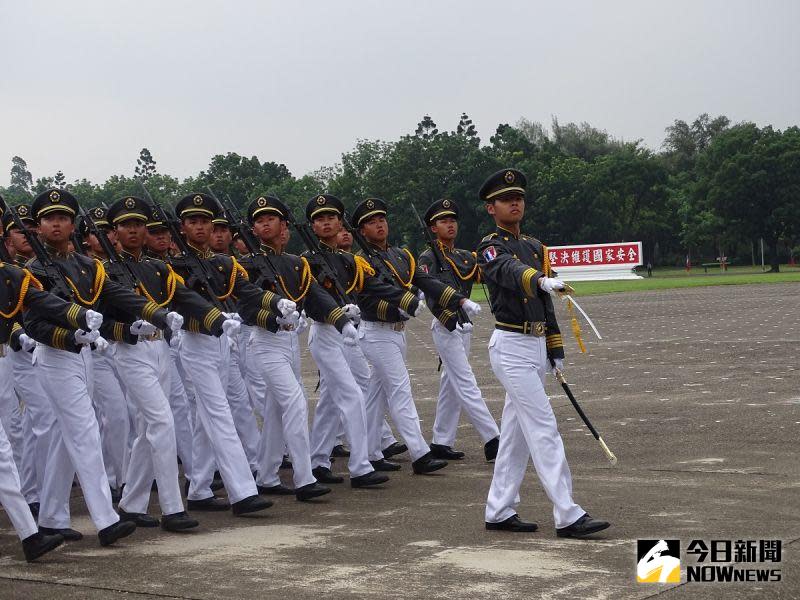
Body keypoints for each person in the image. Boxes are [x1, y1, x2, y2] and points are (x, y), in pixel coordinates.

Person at [23, 188, 175, 545]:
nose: (56, 224)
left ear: (73, 224)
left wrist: (158, 313)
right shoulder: (30, 271)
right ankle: (106, 519)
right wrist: (72, 336)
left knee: (65, 437)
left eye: (62, 217)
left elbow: (119, 296)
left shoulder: (87, 266)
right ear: (39, 228)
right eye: (48, 219)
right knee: (86, 432)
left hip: (85, 356)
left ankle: (50, 517)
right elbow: (34, 324)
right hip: (55, 356)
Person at [476, 169, 609, 537]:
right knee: (543, 427)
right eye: (506, 199)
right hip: (511, 346)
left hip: (534, 346)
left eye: (519, 196)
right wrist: (538, 279)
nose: (515, 202)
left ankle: (499, 509)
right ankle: (567, 514)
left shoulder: (536, 246)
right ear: (491, 208)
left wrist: (554, 349)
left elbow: (547, 308)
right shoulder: (490, 246)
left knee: (516, 435)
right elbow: (505, 269)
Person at [169, 192, 288, 515]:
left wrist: (276, 302)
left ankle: (198, 487)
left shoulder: (221, 262)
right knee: (219, 414)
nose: (200, 227)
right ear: (182, 227)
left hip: (224, 341)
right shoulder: (174, 266)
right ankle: (243, 492)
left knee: (206, 418)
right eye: (193, 222)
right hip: (195, 341)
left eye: (205, 221)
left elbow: (245, 290)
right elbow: (183, 300)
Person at [351, 198, 480, 474]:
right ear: (362, 231)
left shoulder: (401, 256)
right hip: (376, 332)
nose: (379, 225)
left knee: (376, 397)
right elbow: (366, 299)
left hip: (397, 333)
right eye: (371, 222)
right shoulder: (360, 261)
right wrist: (401, 304)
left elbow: (426, 282)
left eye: (381, 219)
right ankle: (420, 453)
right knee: (400, 389)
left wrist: (458, 301)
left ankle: (369, 453)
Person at [104, 195, 206, 532]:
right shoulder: (104, 271)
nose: (133, 230)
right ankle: (172, 508)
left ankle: (132, 503)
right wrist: (132, 325)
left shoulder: (158, 267)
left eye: (138, 224)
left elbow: (185, 296)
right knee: (163, 422)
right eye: (125, 225)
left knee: (150, 429)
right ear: (114, 231)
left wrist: (216, 317)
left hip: (159, 347)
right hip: (130, 350)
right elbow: (105, 317)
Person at [239, 194, 348, 501]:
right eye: (258, 221)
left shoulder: (295, 263)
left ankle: (268, 474)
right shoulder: (245, 265)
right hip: (266, 340)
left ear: (283, 225)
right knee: (295, 403)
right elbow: (244, 305)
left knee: (275, 411)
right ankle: (304, 478)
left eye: (270, 219)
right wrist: (273, 314)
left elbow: (315, 296)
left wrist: (341, 320)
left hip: (290, 342)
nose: (264, 224)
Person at [303, 194, 396, 488]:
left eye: (331, 217)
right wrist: (339, 315)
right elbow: (313, 296)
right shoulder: (306, 261)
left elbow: (373, 285)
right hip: (326, 332)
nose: (326, 222)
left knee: (331, 400)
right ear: (313, 227)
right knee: (353, 395)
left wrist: (404, 298)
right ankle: (360, 466)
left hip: (346, 332)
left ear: (340, 222)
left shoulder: (347, 259)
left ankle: (317, 460)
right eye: (319, 219)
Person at [417, 199, 501, 461]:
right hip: (446, 325)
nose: (450, 225)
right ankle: (492, 438)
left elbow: (487, 272)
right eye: (443, 221)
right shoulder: (428, 257)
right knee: (466, 382)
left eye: (452, 220)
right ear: (433, 228)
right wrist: (447, 317)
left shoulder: (465, 256)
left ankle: (441, 441)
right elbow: (430, 291)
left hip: (465, 326)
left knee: (451, 385)